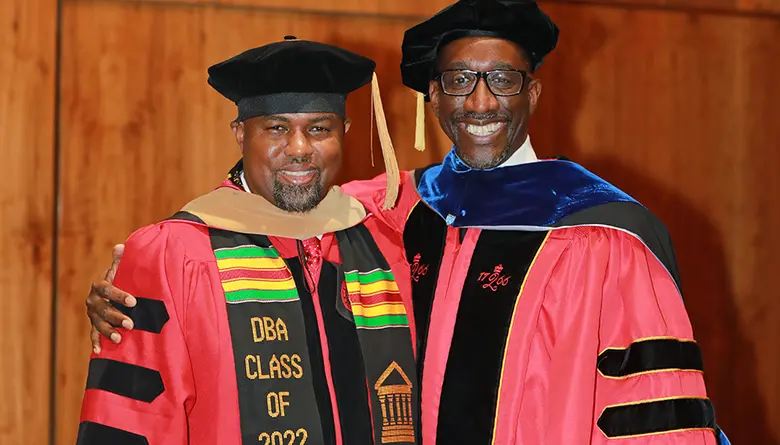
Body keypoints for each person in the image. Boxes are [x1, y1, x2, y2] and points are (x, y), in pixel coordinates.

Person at [85, 1, 732, 444]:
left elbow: (655, 411)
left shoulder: (606, 236)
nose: (479, 101)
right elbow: (247, 224)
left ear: (532, 91)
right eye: (457, 81)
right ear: (434, 98)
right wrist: (136, 285)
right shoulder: (388, 212)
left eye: (501, 79)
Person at [75, 37, 422, 445]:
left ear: (343, 132)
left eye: (319, 129)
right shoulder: (174, 254)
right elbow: (132, 419)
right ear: (240, 134)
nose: (299, 149)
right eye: (276, 127)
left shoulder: (384, 238)